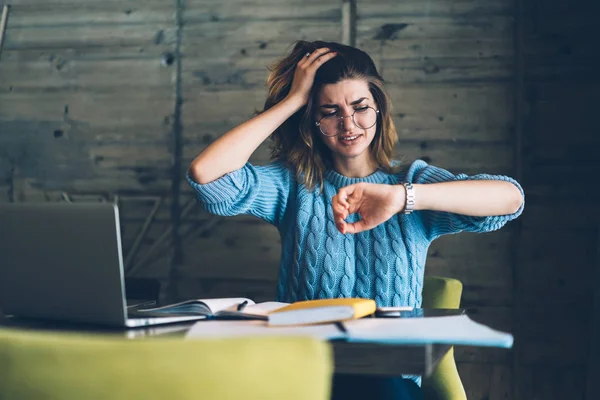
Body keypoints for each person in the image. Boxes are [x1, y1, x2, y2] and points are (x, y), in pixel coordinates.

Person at [187, 40, 524, 400]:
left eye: (360, 107)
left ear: (378, 108)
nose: (348, 124)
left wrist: (404, 197)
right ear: (313, 121)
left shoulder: (410, 182)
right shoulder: (293, 186)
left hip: (389, 381)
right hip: (306, 375)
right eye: (329, 111)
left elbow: (510, 198)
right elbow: (206, 174)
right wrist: (293, 101)